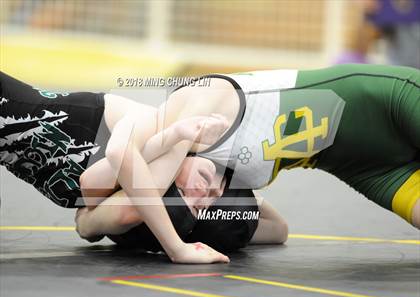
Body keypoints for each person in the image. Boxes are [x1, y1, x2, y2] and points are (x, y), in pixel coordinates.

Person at [79, 63, 419, 256]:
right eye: (198, 204)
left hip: (389, 103)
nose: (200, 192)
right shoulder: (224, 179)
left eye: (184, 191)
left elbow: (110, 178)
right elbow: (276, 229)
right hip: (372, 170)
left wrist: (175, 247)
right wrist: (196, 227)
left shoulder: (189, 112)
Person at [0, 71, 288, 263]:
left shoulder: (152, 190)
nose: (204, 190)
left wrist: (214, 210)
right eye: (214, 182)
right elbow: (102, 181)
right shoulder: (159, 125)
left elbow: (278, 230)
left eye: (200, 205)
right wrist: (177, 245)